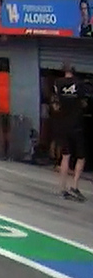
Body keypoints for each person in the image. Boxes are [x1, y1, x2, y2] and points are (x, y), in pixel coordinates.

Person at [51, 64, 90, 201]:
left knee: (65, 156)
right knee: (81, 157)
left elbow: (55, 105)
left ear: (64, 71)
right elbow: (84, 103)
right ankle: (75, 186)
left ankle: (62, 188)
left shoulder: (58, 83)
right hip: (77, 125)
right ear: (74, 72)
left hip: (63, 125)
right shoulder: (80, 84)